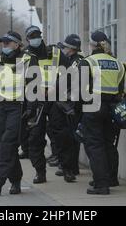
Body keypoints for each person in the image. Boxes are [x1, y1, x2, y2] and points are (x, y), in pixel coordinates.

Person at [0, 31, 38, 196]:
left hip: (18, 107)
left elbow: (33, 86)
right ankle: (16, 181)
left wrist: (31, 108)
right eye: (3, 43)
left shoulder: (28, 59)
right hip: (0, 108)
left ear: (17, 44)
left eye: (7, 43)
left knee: (7, 143)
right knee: (6, 146)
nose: (4, 46)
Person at [78, 31, 126, 195]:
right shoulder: (118, 63)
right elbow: (120, 91)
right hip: (112, 108)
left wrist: (78, 114)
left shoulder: (87, 62)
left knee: (95, 145)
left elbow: (81, 91)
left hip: (93, 106)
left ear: (92, 45)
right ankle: (111, 178)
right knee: (108, 144)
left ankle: (101, 184)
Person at [23, 25, 69, 184]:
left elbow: (69, 73)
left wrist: (57, 87)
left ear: (41, 36)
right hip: (36, 101)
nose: (35, 38)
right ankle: (40, 172)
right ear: (27, 39)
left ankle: (67, 169)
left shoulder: (54, 52)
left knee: (61, 135)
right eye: (31, 36)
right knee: (35, 138)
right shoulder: (24, 56)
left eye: (37, 35)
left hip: (55, 99)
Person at [50, 34, 84, 183]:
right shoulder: (70, 60)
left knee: (69, 137)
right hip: (64, 102)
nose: (63, 49)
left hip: (70, 104)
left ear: (71, 49)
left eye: (65, 47)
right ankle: (68, 166)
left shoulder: (77, 62)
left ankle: (70, 168)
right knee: (65, 136)